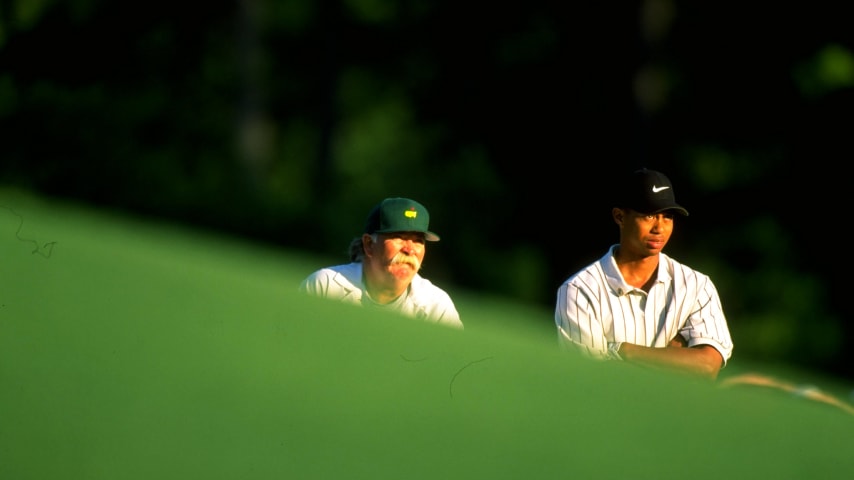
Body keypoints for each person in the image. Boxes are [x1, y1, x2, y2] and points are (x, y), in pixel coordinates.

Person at [554, 168, 733, 380]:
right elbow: (591, 380)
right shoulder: (579, 290)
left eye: (667, 217)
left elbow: (706, 366)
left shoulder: (697, 285)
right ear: (620, 217)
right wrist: (674, 358)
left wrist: (622, 351)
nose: (659, 228)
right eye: (648, 215)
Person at [300, 197, 463, 329]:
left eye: (418, 241)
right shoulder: (326, 286)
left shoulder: (435, 306)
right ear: (369, 244)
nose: (410, 249)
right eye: (400, 237)